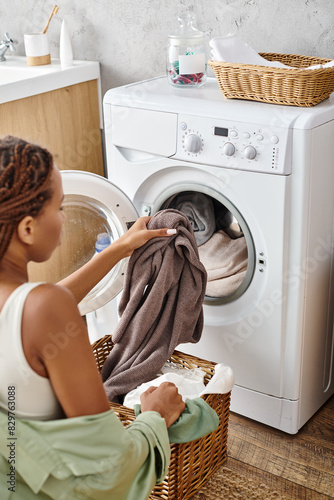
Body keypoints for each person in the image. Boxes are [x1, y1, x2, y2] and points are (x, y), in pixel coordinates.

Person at [0, 136, 185, 499]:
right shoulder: (45, 309)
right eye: (59, 207)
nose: (65, 217)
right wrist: (156, 417)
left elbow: (26, 318)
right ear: (27, 229)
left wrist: (117, 250)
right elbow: (109, 474)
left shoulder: (33, 309)